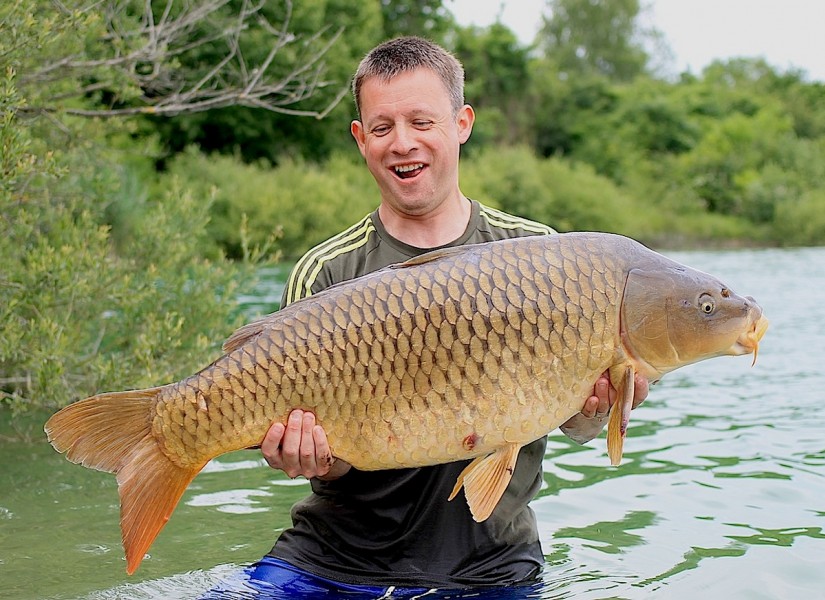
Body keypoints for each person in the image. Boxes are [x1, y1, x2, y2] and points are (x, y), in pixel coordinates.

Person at [206, 36, 648, 598]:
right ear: (360, 139)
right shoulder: (328, 271)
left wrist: (597, 410)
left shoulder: (542, 255)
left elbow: (579, 426)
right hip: (333, 561)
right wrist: (310, 456)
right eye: (383, 128)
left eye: (422, 121)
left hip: (494, 568)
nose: (403, 143)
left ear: (462, 123)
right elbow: (327, 468)